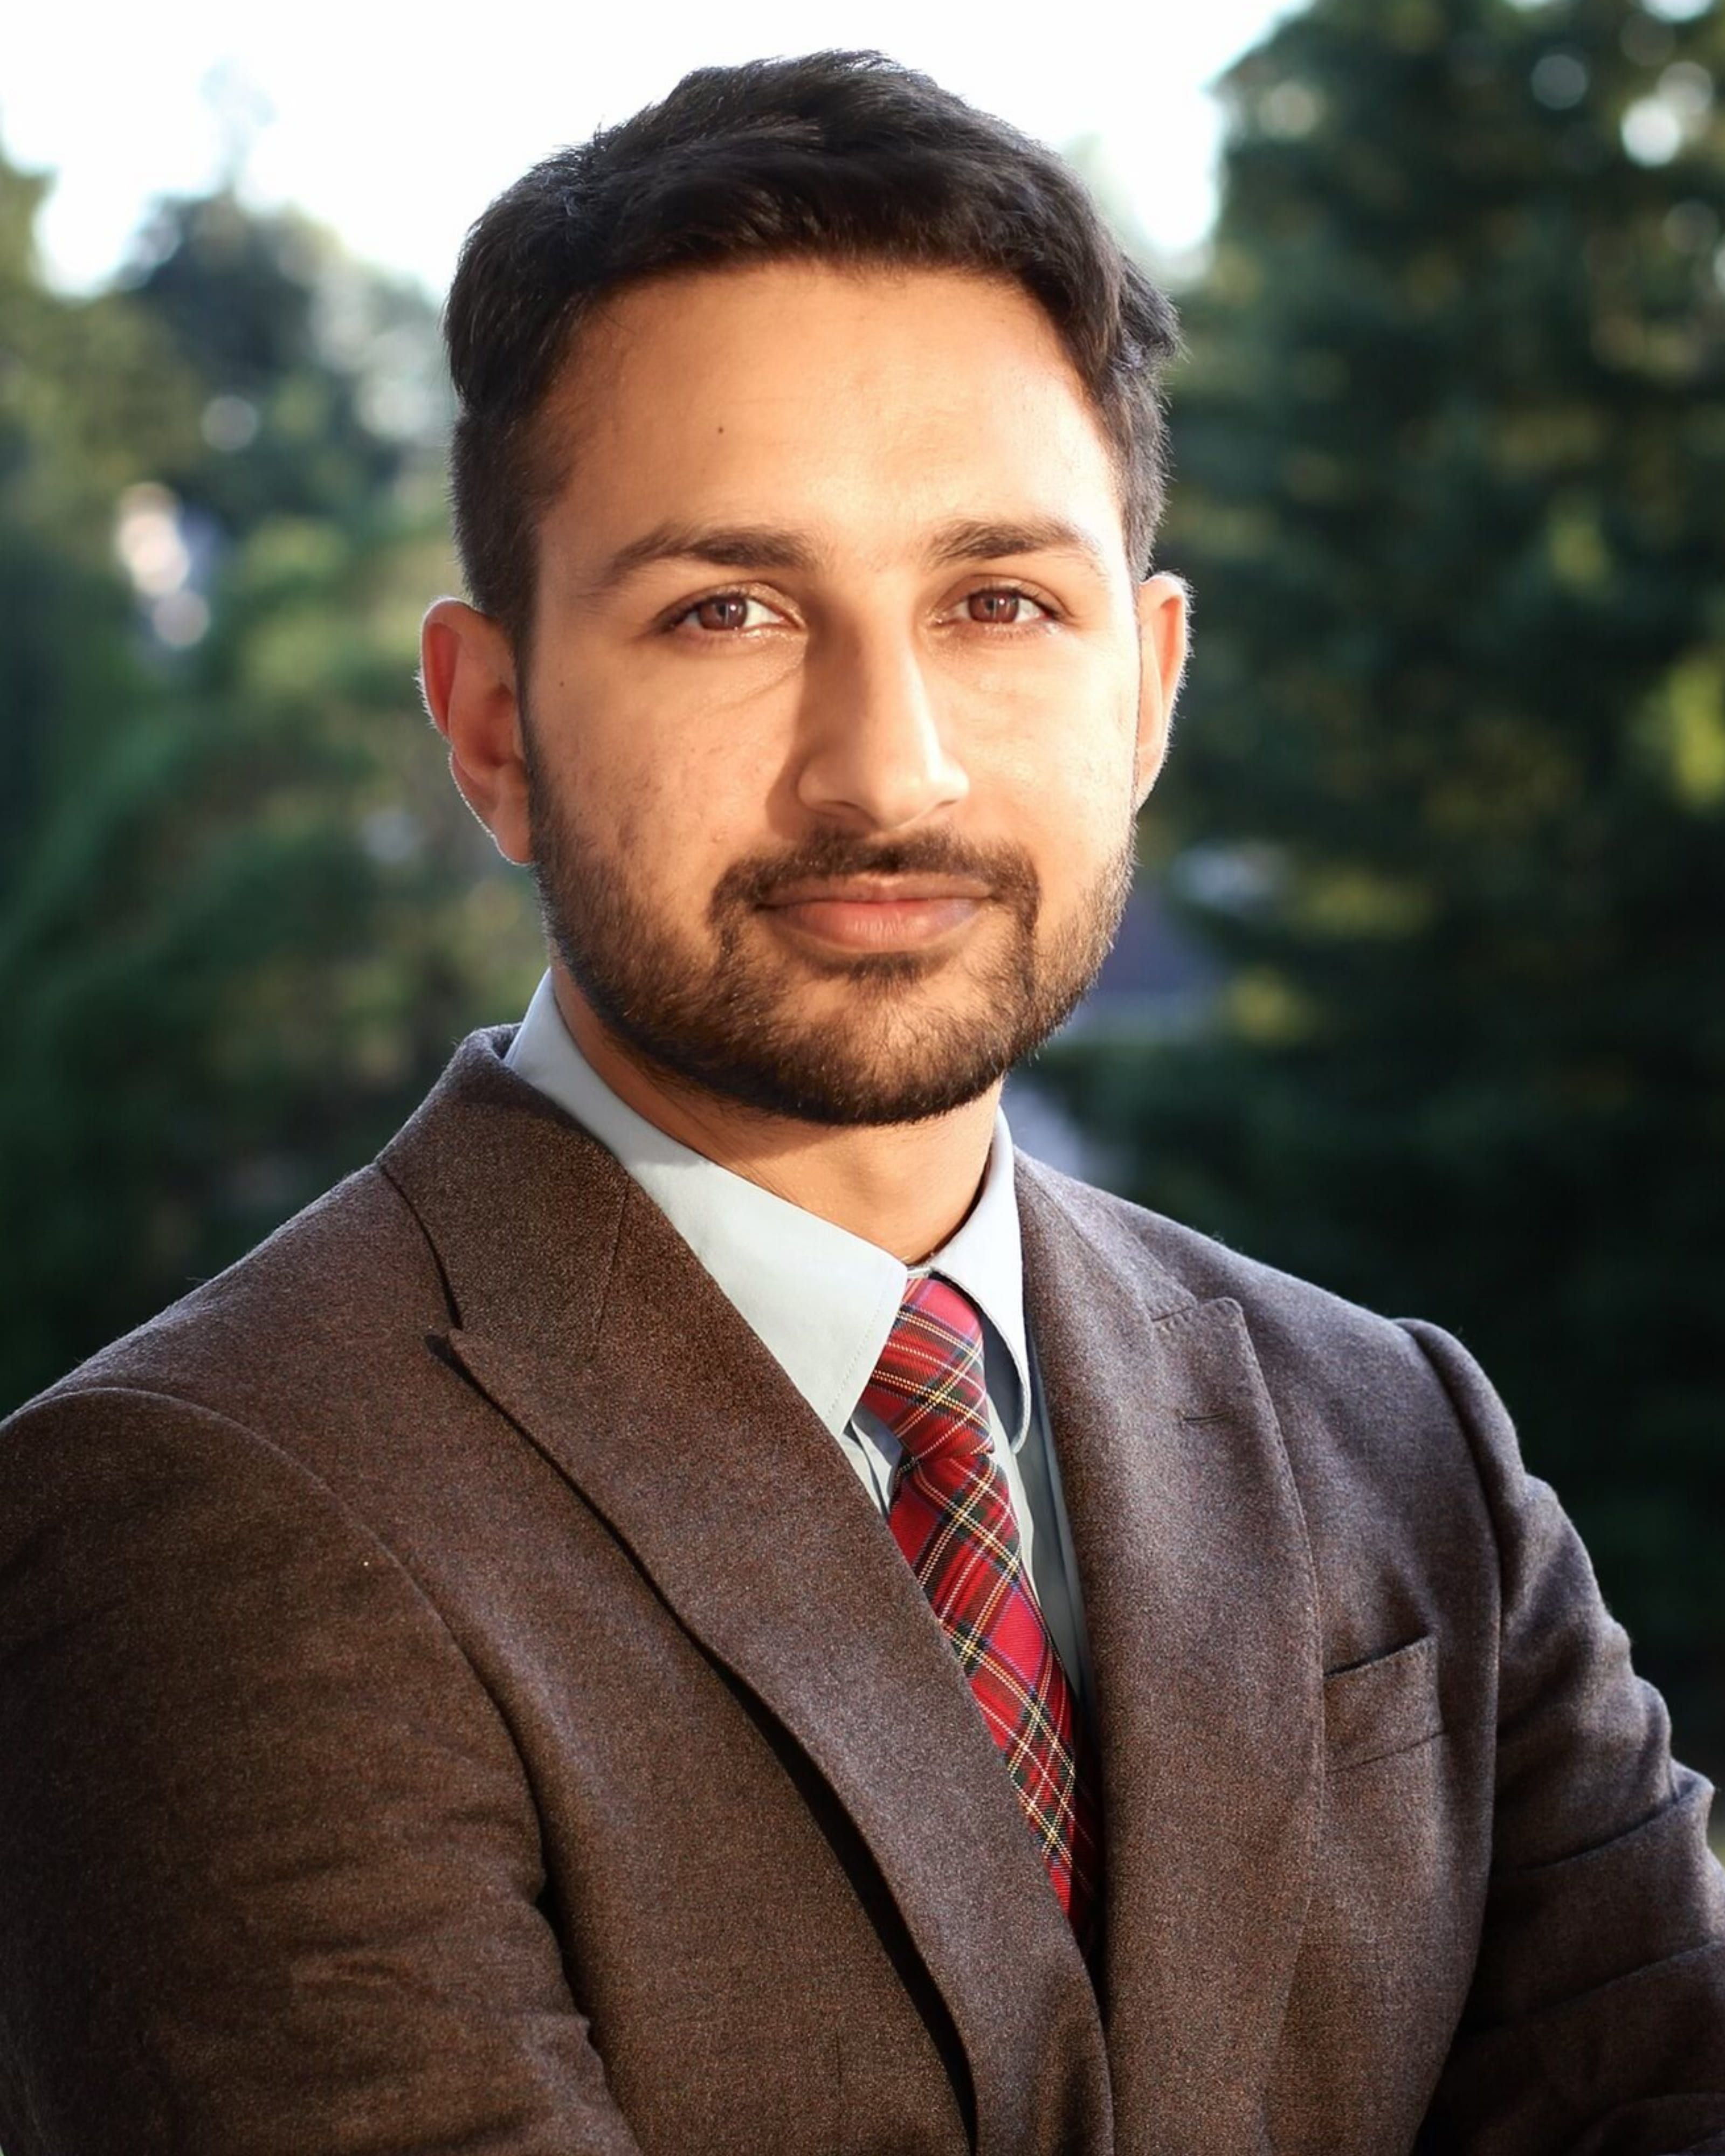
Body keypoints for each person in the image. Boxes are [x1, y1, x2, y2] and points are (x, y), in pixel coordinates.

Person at [1, 47, 1721, 2156]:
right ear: (492, 722)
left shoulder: (1394, 1438)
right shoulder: (193, 1516)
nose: (882, 767)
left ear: (1147, 689)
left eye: (996, 601)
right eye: (726, 609)